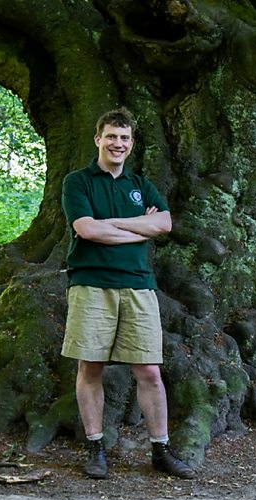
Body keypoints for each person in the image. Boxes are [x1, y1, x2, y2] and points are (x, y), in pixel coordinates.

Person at [60, 107, 195, 480]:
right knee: (90, 367)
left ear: (131, 144)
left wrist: (114, 224)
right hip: (91, 284)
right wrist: (140, 229)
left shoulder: (141, 185)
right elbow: (86, 230)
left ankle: (160, 449)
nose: (117, 143)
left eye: (124, 138)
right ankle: (95, 446)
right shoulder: (78, 182)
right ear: (98, 139)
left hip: (138, 284)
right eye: (111, 136)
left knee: (149, 371)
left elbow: (164, 223)